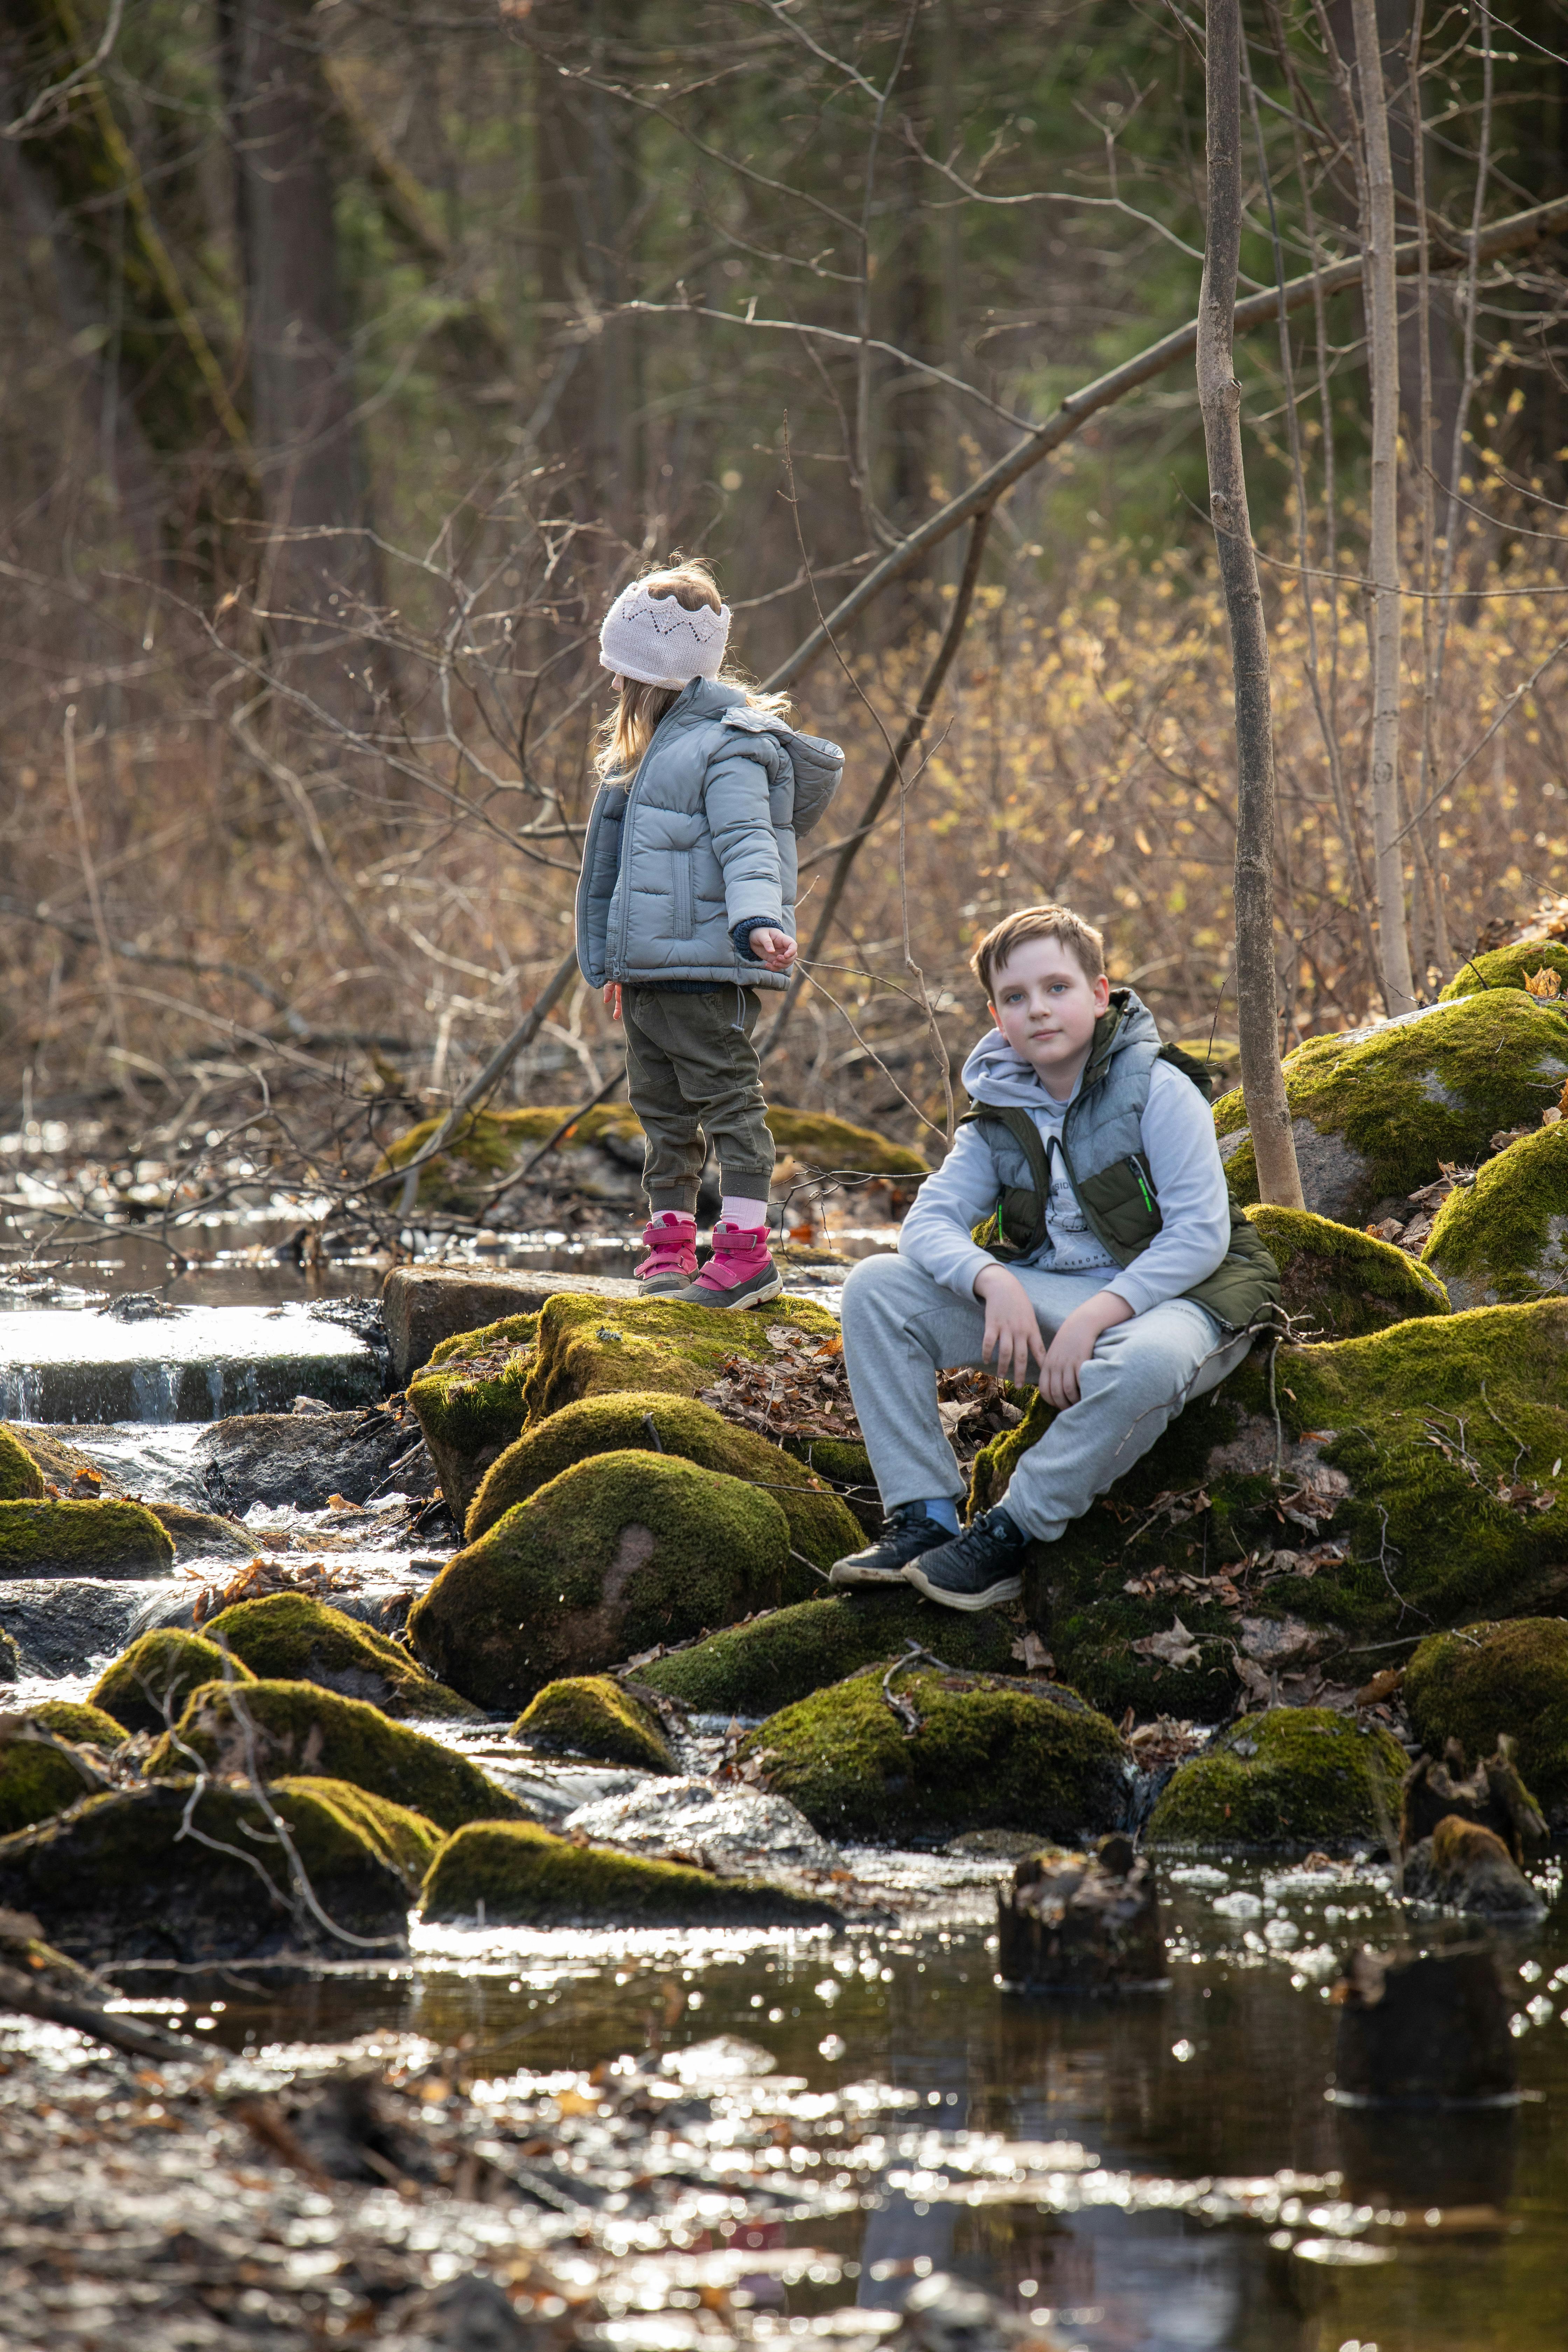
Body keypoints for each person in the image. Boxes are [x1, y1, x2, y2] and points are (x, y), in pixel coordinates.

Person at [830, 903, 1280, 1608]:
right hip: (1052, 1301)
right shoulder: (998, 1114)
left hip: (1178, 1305)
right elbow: (926, 1225)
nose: (1036, 1010)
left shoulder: (1156, 1088)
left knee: (1149, 1361)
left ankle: (1009, 1533)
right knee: (875, 1287)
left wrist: (1096, 1316)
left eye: (1056, 989)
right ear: (995, 1013)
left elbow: (1199, 1235)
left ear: (1099, 995)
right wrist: (992, 1282)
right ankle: (922, 1518)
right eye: (1015, 998)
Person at [576, 558, 844, 1307]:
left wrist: (757, 919)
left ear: (644, 678)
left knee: (729, 1101)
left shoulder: (731, 745)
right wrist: (615, 965)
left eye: (620, 673)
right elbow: (620, 880)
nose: (613, 687)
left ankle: (745, 1251)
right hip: (652, 976)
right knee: (660, 1113)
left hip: (711, 967)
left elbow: (749, 842)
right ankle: (668, 1252)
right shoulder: (642, 757)